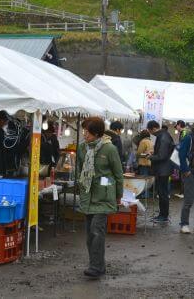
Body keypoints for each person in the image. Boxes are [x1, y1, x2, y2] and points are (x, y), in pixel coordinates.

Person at [76, 117, 123, 278]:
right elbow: (79, 168)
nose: (84, 134)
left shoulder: (109, 149)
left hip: (103, 196)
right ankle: (98, 265)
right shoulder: (82, 148)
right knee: (90, 234)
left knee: (97, 230)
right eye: (83, 131)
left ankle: (95, 267)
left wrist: (118, 195)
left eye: (87, 132)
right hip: (87, 195)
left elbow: (118, 174)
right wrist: (81, 184)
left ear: (96, 133)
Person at [147, 120, 174, 223]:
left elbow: (162, 155)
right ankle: (162, 215)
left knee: (162, 193)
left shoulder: (162, 137)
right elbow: (163, 152)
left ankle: (163, 216)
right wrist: (154, 152)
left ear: (153, 128)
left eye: (150, 131)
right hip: (163, 169)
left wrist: (151, 157)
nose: (151, 134)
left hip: (163, 169)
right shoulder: (164, 135)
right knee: (162, 193)